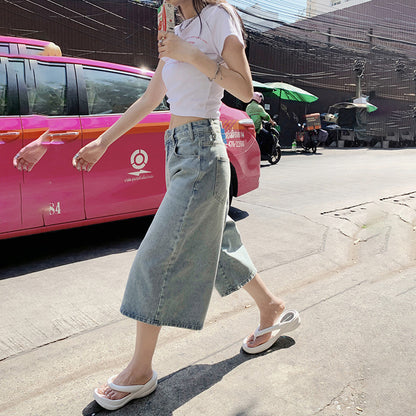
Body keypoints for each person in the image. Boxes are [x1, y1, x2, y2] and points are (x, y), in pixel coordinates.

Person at [71, 0, 299, 411]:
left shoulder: (217, 17)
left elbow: (245, 90)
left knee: (155, 258)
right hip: (178, 154)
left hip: (202, 155)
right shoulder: (177, 29)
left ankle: (140, 370)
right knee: (221, 250)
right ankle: (272, 308)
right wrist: (103, 142)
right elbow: (148, 99)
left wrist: (191, 55)